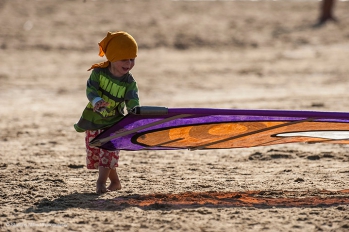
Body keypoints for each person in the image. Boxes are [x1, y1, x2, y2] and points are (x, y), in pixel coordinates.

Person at [74, 31, 140, 194]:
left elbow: (132, 100)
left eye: (132, 59)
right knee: (97, 154)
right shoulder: (98, 73)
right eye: (124, 59)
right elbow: (91, 90)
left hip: (114, 124)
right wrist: (96, 101)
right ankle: (115, 183)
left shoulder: (129, 81)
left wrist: (135, 113)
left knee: (108, 153)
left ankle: (101, 184)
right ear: (112, 58)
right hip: (95, 120)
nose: (129, 63)